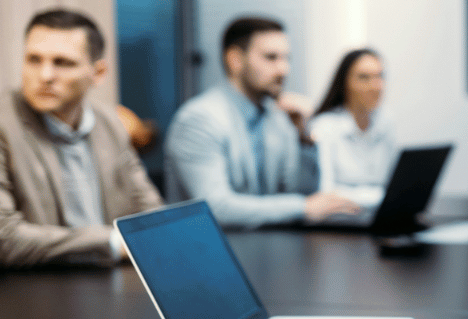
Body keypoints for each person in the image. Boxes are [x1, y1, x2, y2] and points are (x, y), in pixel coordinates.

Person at [0, 8, 163, 282]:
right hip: (3, 291)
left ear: (98, 72)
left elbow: (151, 211)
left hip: (96, 282)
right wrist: (114, 243)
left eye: (63, 63)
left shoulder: (110, 122)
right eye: (34, 60)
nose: (45, 75)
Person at [164, 16, 355, 228]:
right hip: (209, 252)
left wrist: (304, 138)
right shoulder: (199, 120)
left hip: (268, 247)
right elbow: (216, 208)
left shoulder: (277, 118)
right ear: (235, 60)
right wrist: (301, 207)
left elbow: (303, 195)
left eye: (287, 58)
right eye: (271, 58)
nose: (284, 69)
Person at [309, 48, 394, 208]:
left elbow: (392, 183)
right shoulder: (325, 126)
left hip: (379, 212)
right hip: (340, 218)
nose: (376, 86)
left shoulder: (386, 122)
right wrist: (381, 197)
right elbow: (325, 193)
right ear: (344, 83)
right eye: (364, 78)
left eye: (380, 76)